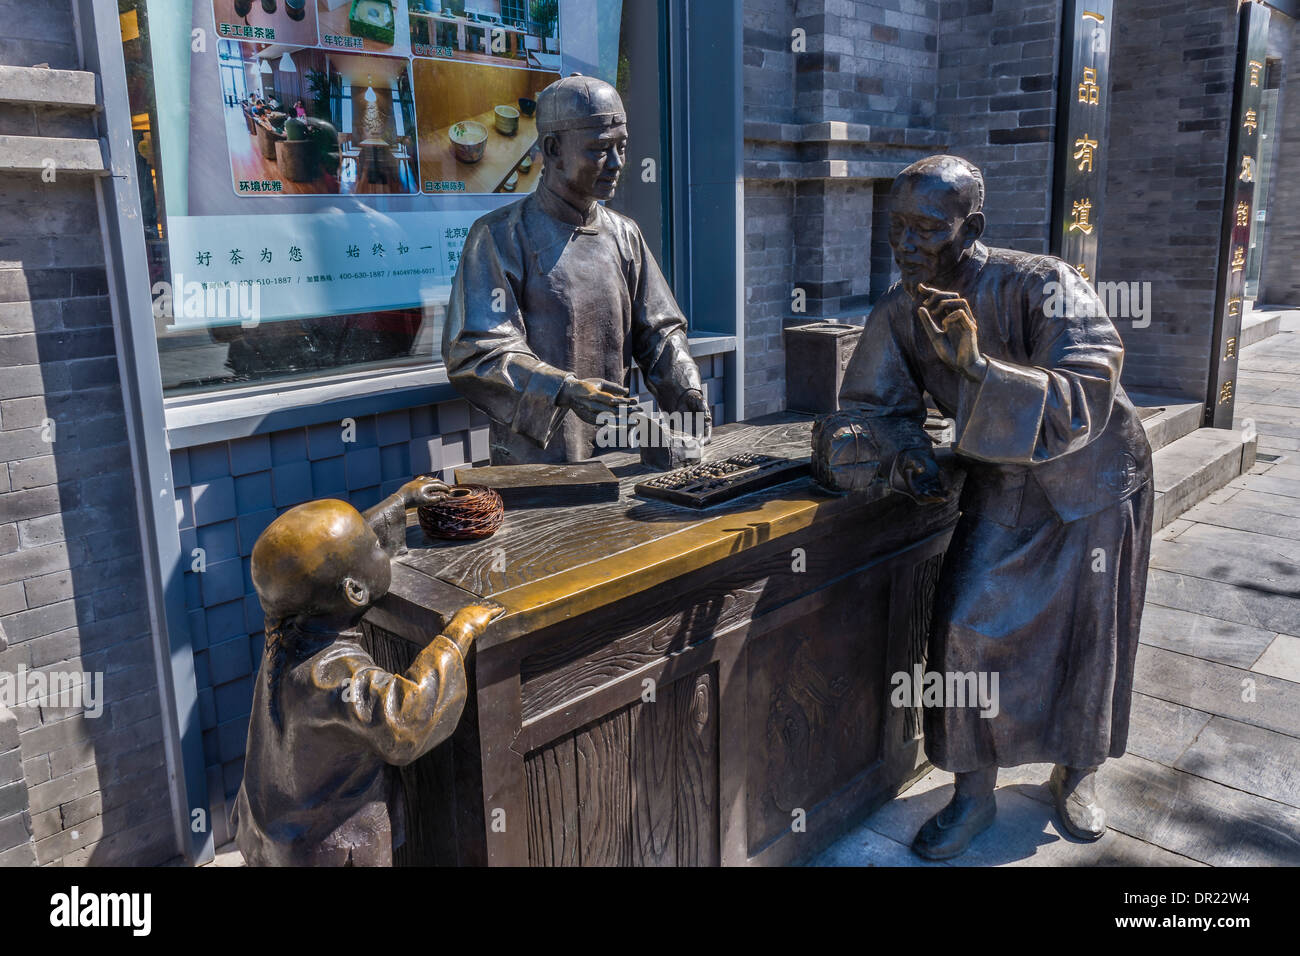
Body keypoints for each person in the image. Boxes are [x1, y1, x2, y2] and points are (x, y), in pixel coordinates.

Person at [837, 154, 1153, 860]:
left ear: (970, 226)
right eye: (898, 226)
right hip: (1004, 487)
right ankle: (974, 793)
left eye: (927, 228)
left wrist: (980, 367)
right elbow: (872, 406)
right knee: (963, 627)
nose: (907, 243)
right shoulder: (900, 308)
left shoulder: (1039, 281)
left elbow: (1089, 383)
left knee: (1088, 640)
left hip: (1092, 482)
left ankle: (1076, 772)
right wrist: (894, 450)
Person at [231, 478, 503, 866]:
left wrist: (401, 501)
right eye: (375, 547)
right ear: (354, 592)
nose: (379, 543)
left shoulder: (289, 625)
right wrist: (458, 635)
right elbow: (407, 719)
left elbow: (334, 555)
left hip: (275, 831)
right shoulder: (334, 676)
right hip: (326, 848)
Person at [442, 74, 710, 464]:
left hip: (618, 453)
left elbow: (660, 330)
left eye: (622, 147)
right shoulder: (497, 237)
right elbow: (477, 352)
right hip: (535, 465)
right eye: (600, 149)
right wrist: (566, 391)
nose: (617, 163)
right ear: (553, 149)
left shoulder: (624, 234)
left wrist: (686, 390)